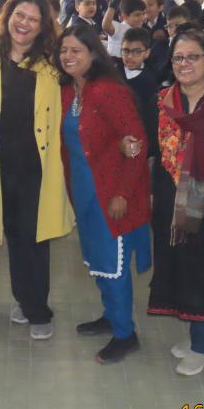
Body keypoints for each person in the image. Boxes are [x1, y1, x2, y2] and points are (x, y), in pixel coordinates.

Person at [0, 0, 74, 340]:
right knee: (13, 234)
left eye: (33, 19)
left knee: (35, 236)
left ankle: (38, 309)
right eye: (20, 15)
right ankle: (22, 298)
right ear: (8, 16)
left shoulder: (51, 63)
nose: (24, 24)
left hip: (37, 164)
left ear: (43, 26)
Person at [55, 26, 152, 362]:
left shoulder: (109, 92)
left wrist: (123, 193)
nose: (68, 56)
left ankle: (125, 334)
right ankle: (111, 316)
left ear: (93, 54)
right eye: (63, 50)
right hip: (83, 192)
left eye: (76, 50)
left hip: (111, 194)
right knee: (98, 261)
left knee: (114, 264)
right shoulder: (68, 91)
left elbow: (137, 143)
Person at [142, 30, 204, 375]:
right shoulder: (161, 102)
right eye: (178, 57)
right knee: (181, 266)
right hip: (170, 202)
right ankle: (200, 334)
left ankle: (202, 346)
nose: (185, 64)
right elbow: (148, 146)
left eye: (193, 56)